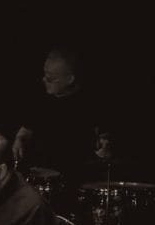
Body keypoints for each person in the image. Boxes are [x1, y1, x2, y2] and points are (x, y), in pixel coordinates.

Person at [11, 48, 111, 187]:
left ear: (70, 79)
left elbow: (104, 147)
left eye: (50, 77)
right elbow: (24, 133)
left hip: (77, 181)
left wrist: (104, 148)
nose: (44, 80)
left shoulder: (92, 106)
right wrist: (19, 140)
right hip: (39, 180)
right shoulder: (40, 102)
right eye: (44, 74)